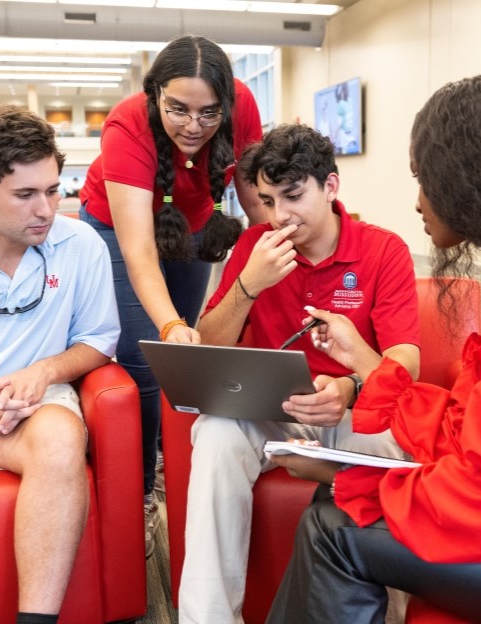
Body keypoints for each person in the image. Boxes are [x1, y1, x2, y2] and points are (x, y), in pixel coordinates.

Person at [266, 75, 481, 624]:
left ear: (469, 180)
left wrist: (343, 478)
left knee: (331, 528)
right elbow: (475, 436)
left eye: (423, 180)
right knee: (332, 511)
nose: (417, 201)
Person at [179, 123, 421, 623]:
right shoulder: (254, 248)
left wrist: (351, 387)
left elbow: (405, 359)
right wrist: (248, 285)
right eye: (267, 201)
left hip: (353, 414)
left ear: (331, 188)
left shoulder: (383, 249)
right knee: (219, 431)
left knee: (398, 452)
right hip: (274, 413)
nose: (279, 216)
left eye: (293, 196)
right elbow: (210, 344)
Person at [0, 104, 120, 624]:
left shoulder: (81, 245)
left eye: (53, 190)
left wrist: (45, 372)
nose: (47, 209)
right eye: (26, 195)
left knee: (61, 440)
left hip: (36, 403)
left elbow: (99, 341)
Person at [79, 34, 265, 555]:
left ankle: (172, 459)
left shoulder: (242, 104)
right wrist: (166, 325)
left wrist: (284, 253)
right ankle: (138, 489)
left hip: (195, 225)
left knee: (187, 352)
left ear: (226, 104)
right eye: (177, 109)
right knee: (145, 356)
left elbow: (254, 198)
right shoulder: (126, 124)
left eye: (208, 114)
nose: (193, 125)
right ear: (154, 94)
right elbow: (139, 253)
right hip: (117, 227)